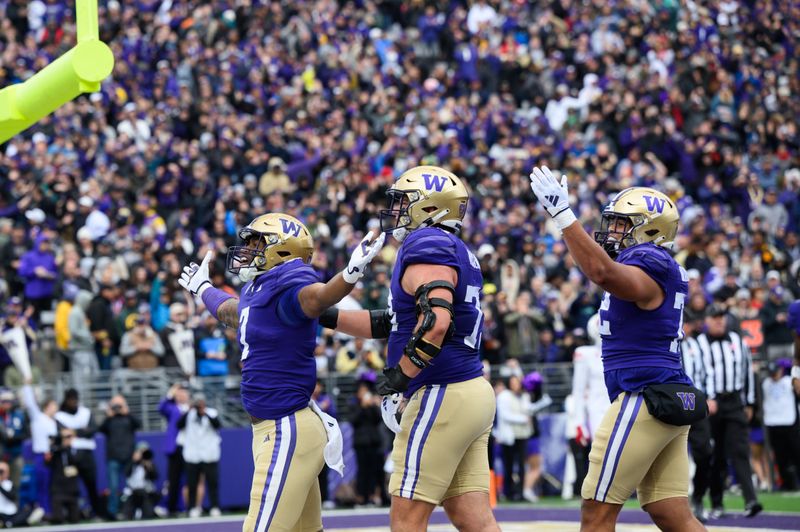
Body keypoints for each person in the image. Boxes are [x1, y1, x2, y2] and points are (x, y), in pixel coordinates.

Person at [320, 166, 499, 532]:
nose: (397, 211)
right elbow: (391, 322)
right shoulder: (454, 248)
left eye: (405, 203)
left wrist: (400, 378)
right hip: (469, 392)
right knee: (473, 520)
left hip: (441, 392)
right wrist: (322, 314)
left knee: (406, 521)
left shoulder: (426, 243)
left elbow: (436, 322)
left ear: (430, 208)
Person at [178, 212, 383, 531]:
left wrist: (348, 275)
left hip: (286, 428)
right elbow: (233, 311)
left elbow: (317, 298)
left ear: (281, 249)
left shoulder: (290, 281)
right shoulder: (257, 288)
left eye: (256, 243)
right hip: (278, 428)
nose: (246, 250)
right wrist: (203, 288)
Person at [529, 167, 705, 531]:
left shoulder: (651, 261)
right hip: (663, 392)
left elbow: (604, 273)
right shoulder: (658, 264)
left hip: (643, 396)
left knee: (596, 513)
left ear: (650, 228)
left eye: (622, 224)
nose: (613, 232)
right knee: (672, 514)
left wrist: (564, 217)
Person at [696, 303, 762, 518]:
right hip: (712, 405)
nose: (719, 320)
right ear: (706, 320)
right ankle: (717, 502)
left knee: (740, 450)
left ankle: (751, 500)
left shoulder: (737, 341)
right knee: (717, 455)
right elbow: (697, 374)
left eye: (721, 317)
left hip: (734, 402)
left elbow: (747, 372)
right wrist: (705, 399)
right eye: (714, 317)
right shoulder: (699, 344)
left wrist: (750, 403)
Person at [570, 313, 610, 496]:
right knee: (600, 455)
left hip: (616, 406)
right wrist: (578, 421)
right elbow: (578, 391)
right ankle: (597, 493)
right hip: (595, 411)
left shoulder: (621, 351)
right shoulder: (585, 354)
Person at [680, 311, 714, 522]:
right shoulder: (663, 343)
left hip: (694, 400)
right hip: (672, 404)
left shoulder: (698, 345)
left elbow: (707, 371)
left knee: (705, 453)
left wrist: (709, 396)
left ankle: (699, 497)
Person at [54, 388, 106, 519]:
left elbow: (93, 430)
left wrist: (74, 432)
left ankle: (97, 512)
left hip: (87, 454)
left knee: (91, 485)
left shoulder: (85, 412)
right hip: (71, 455)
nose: (73, 402)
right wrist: (81, 431)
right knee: (71, 485)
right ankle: (73, 514)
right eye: (70, 399)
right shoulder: (60, 415)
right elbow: (61, 433)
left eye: (75, 399)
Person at [177, 396, 221, 518]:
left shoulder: (211, 412)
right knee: (192, 483)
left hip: (209, 454)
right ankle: (192, 507)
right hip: (193, 454)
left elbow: (217, 425)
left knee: (212, 482)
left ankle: (214, 507)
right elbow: (178, 425)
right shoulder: (188, 414)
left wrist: (204, 412)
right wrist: (189, 410)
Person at [99, 395, 141, 519]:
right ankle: (113, 512)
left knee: (133, 485)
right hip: (113, 457)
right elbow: (100, 429)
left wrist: (128, 413)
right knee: (113, 486)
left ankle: (132, 510)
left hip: (128, 457)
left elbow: (139, 424)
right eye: (115, 405)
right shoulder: (110, 420)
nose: (117, 408)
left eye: (120, 405)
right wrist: (108, 416)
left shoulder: (128, 417)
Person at [761, 360, 800, 491]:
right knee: (780, 457)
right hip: (773, 423)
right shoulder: (766, 384)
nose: (774, 375)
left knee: (796, 453)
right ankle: (787, 484)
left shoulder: (789, 381)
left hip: (789, 422)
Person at [20, 378, 58, 514]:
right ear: (47, 406)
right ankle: (43, 511)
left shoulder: (54, 421)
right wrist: (27, 386)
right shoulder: (38, 417)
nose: (56, 408)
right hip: (41, 456)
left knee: (51, 485)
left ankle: (51, 511)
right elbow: (30, 404)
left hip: (52, 456)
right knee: (41, 485)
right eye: (54, 406)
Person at [158, 383, 190, 516]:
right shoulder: (172, 408)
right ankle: (171, 507)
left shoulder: (191, 408)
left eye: (183, 393)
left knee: (189, 480)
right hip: (176, 448)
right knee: (174, 479)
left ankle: (187, 507)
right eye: (179, 394)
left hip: (191, 448)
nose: (182, 396)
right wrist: (171, 392)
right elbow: (161, 408)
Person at [46, 428, 81, 525]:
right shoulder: (56, 450)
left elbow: (78, 462)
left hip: (71, 485)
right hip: (58, 485)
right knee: (58, 518)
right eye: (64, 437)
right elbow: (48, 464)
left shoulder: (77, 448)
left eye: (68, 436)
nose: (66, 439)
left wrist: (67, 448)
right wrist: (55, 448)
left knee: (74, 519)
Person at [121, 441, 159, 520]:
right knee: (127, 515)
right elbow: (126, 473)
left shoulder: (149, 464)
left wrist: (148, 466)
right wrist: (134, 461)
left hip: (145, 494)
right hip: (132, 494)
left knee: (149, 514)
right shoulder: (131, 463)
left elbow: (155, 477)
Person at [0, 459, 44, 527]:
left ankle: (10, 523)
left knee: (33, 511)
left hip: (11, 513)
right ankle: (15, 523)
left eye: (2, 471)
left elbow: (12, 497)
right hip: (1, 514)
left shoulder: (10, 484)